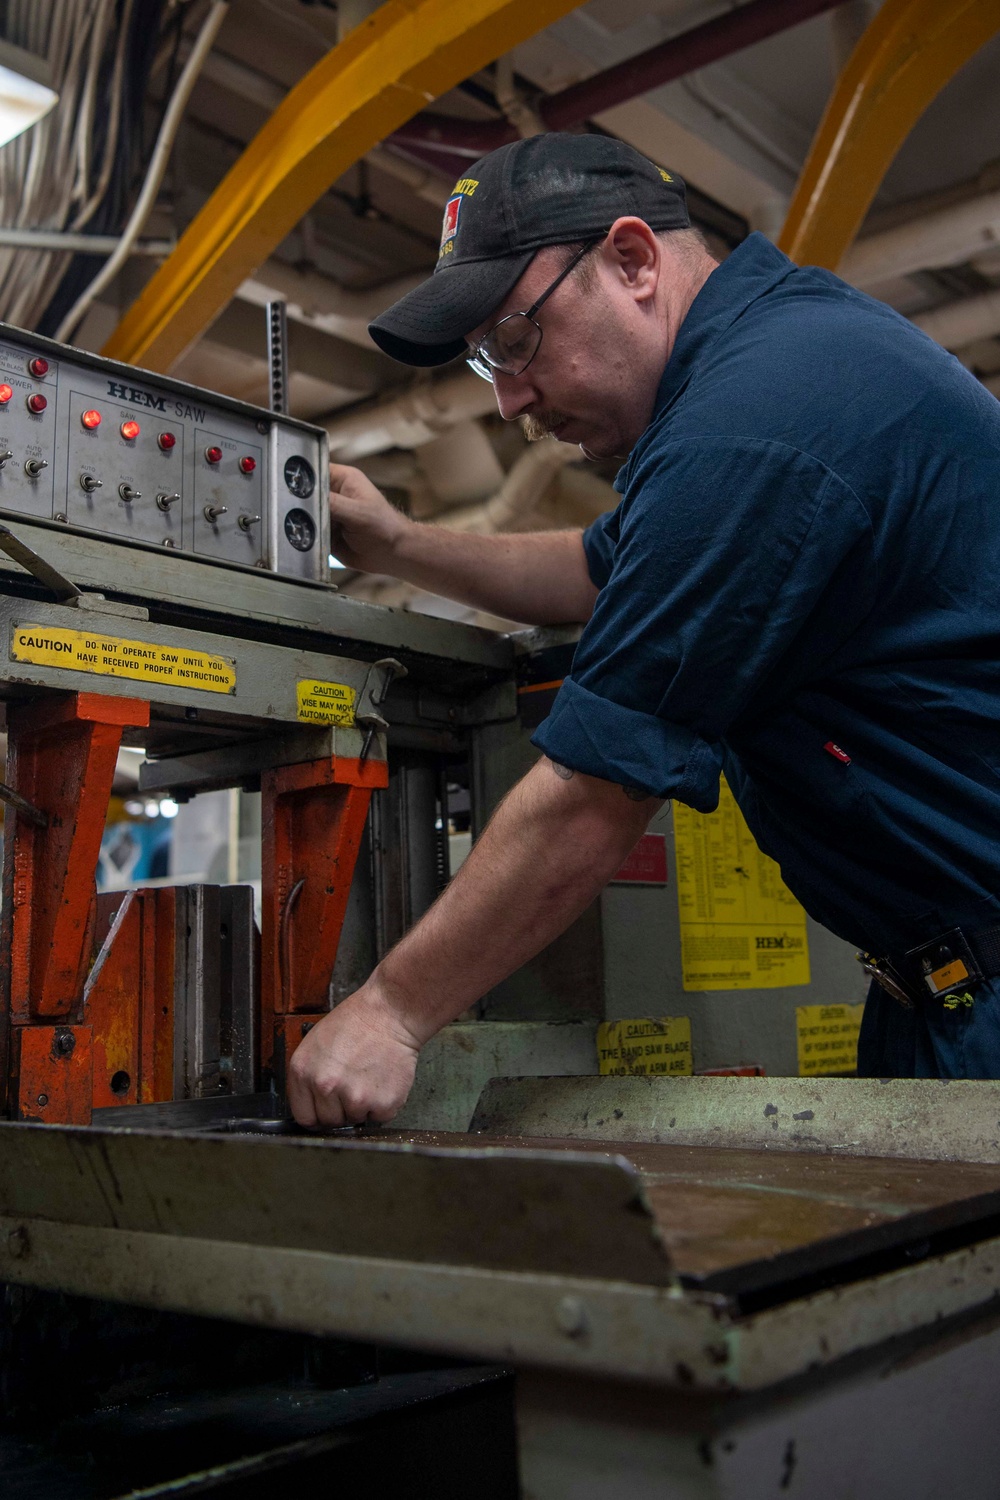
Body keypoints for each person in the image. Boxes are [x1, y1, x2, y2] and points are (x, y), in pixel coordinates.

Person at [287, 132, 1000, 1127]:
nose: (508, 400)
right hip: (933, 992)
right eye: (485, 359)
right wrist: (399, 543)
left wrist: (392, 1015)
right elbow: (594, 570)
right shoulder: (778, 361)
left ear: (631, 261)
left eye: (514, 340)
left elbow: (591, 797)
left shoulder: (754, 425)